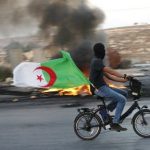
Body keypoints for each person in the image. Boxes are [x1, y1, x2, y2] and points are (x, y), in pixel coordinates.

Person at [89, 43, 129, 132]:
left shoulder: (98, 61)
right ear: (100, 51)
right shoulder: (96, 61)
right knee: (122, 100)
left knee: (124, 93)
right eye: (103, 49)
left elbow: (109, 76)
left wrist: (123, 80)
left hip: (103, 87)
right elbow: (110, 71)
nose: (105, 52)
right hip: (99, 89)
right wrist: (124, 75)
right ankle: (115, 123)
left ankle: (108, 109)